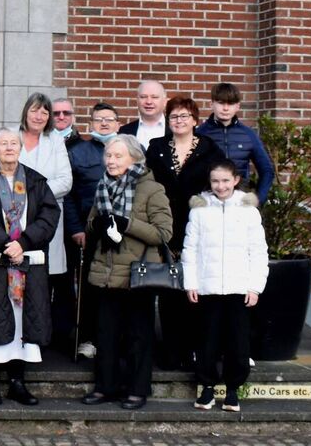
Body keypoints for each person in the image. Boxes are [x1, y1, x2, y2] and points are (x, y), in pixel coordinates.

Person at [0, 128, 60, 406]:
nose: (8, 148)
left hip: (27, 263)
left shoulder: (35, 180)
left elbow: (49, 215)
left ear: (20, 148)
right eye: (2, 143)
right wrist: (8, 244)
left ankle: (18, 381)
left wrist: (25, 242)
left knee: (24, 321)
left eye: (13, 143)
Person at [81, 135, 173, 411]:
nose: (111, 161)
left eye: (118, 156)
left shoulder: (152, 188)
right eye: (109, 155)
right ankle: (105, 387)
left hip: (136, 276)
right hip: (106, 272)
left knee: (138, 336)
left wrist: (126, 224)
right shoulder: (103, 186)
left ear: (135, 159)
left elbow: (164, 233)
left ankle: (136, 389)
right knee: (106, 335)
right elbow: (90, 225)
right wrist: (97, 226)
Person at [145, 96, 226, 371]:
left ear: (194, 120)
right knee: (169, 292)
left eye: (184, 116)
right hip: (165, 226)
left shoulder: (209, 148)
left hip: (198, 227)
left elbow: (218, 184)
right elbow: (146, 183)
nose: (179, 121)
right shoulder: (156, 148)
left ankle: (195, 350)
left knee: (195, 291)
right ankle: (171, 352)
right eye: (174, 117)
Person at [183, 161, 269, 413]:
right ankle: (207, 387)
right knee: (207, 340)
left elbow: (258, 251)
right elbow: (190, 249)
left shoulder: (248, 211)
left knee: (237, 342)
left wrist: (254, 287)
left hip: (239, 287)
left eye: (225, 180)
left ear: (235, 180)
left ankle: (233, 390)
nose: (220, 186)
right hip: (208, 287)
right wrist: (191, 282)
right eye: (215, 181)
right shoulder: (199, 210)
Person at [15, 93, 73, 347]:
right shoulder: (12, 137)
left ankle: (41, 338)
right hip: (14, 216)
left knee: (43, 278)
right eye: (34, 111)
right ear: (25, 112)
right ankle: (16, 333)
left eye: (45, 112)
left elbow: (65, 180)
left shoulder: (55, 141)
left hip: (48, 217)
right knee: (17, 274)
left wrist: (35, 194)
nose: (39, 116)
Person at [64, 102, 121, 360]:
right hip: (90, 230)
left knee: (119, 286)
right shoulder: (79, 152)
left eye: (109, 119)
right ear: (90, 125)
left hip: (124, 231)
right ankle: (87, 338)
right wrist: (77, 228)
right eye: (99, 120)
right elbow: (70, 195)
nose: (105, 124)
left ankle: (115, 338)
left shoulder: (130, 150)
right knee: (89, 286)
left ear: (118, 124)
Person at [196, 83, 274, 204]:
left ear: (237, 106)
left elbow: (267, 170)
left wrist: (258, 199)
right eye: (221, 103)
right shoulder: (199, 134)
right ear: (212, 104)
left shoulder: (249, 135)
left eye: (230, 103)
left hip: (241, 200)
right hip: (208, 200)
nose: (226, 108)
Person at [119, 80, 171, 149]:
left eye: (154, 97)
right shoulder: (125, 131)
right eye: (143, 97)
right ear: (137, 101)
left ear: (164, 101)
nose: (149, 102)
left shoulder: (175, 129)